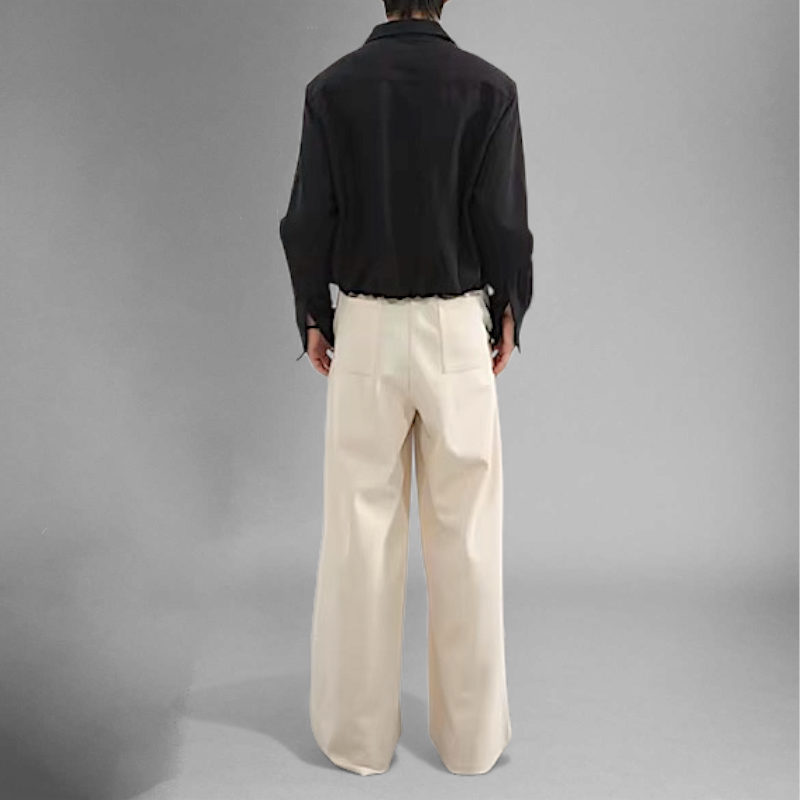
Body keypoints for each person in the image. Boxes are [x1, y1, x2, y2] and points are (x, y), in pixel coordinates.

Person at [279, 0, 534, 777]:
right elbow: (501, 221)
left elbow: (307, 219)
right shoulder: (489, 89)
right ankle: (471, 742)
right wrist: (511, 306)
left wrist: (314, 315)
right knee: (468, 538)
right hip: (456, 327)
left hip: (363, 327)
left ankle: (357, 742)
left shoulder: (332, 89)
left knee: (359, 538)